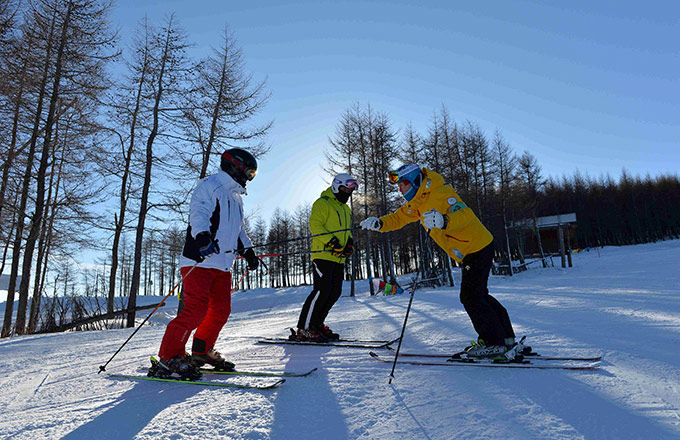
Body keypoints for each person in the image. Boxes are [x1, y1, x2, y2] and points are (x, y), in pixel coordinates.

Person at [359, 164, 519, 360]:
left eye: (403, 184)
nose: (400, 189)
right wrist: (380, 223)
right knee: (478, 294)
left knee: (470, 296)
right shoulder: (418, 202)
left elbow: (466, 215)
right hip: (470, 250)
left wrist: (444, 220)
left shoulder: (441, 192)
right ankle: (505, 339)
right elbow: (399, 218)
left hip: (476, 247)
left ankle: (494, 343)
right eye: (398, 186)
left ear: (416, 181)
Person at [149, 148, 260, 380]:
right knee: (195, 311)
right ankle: (169, 357)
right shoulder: (210, 186)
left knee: (220, 311)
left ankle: (201, 350)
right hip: (199, 260)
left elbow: (239, 230)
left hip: (223, 264)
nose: (250, 178)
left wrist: (248, 252)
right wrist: (202, 238)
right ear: (235, 167)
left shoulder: (236, 198)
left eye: (253, 174)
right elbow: (199, 214)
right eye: (249, 172)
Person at [295, 173, 358, 342]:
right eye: (345, 189)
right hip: (323, 255)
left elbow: (347, 231)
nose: (348, 193)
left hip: (338, 258)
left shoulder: (345, 209)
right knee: (322, 290)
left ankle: (316, 324)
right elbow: (315, 226)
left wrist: (349, 244)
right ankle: (304, 328)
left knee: (334, 292)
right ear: (337, 186)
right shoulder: (322, 203)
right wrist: (331, 242)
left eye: (350, 191)